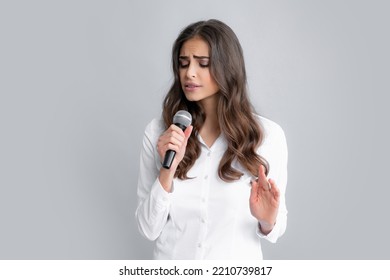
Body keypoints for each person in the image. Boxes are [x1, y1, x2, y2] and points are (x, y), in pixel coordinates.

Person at [135, 19, 288, 259]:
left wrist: (267, 220)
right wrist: (167, 171)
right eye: (183, 64)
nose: (190, 73)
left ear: (228, 68)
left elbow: (276, 227)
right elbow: (148, 228)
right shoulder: (159, 133)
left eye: (203, 64)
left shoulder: (267, 136)